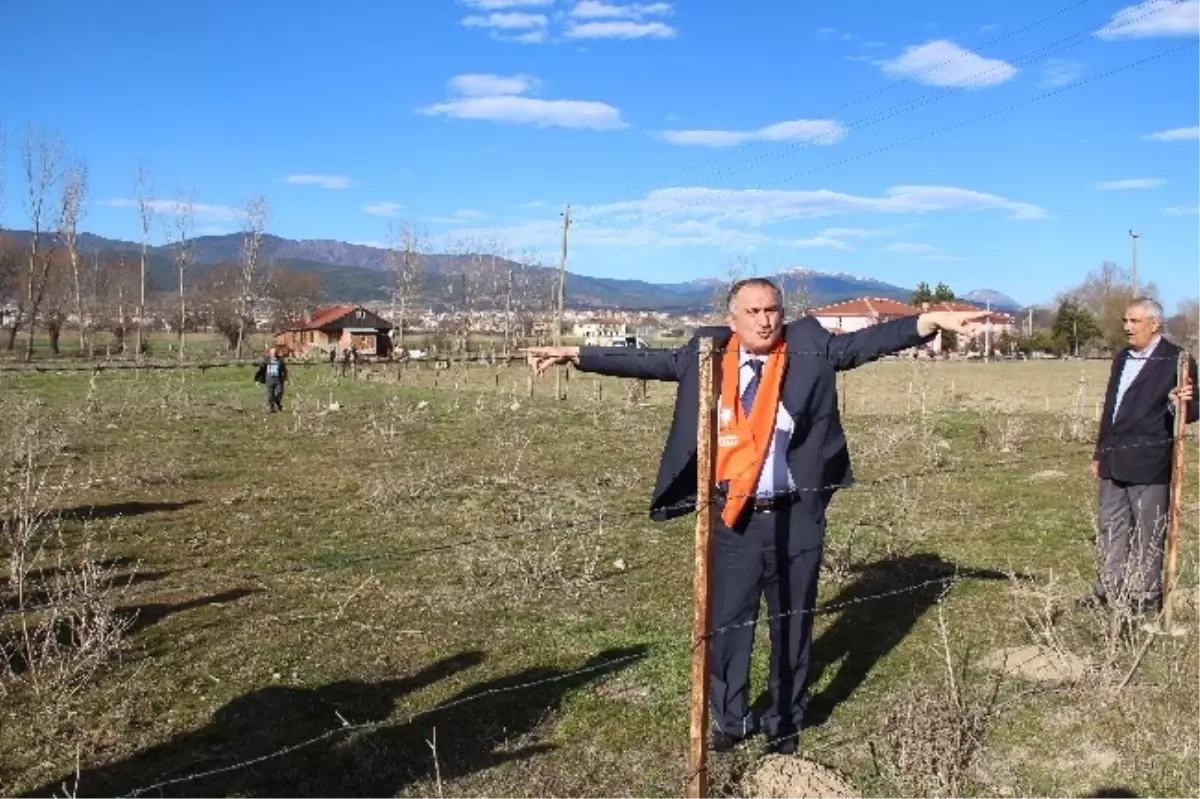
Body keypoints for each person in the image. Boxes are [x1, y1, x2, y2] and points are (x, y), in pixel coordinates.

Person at [524, 278, 986, 755]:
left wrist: (927, 321)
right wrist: (575, 355)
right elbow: (649, 360)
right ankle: (730, 717)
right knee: (728, 624)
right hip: (731, 519)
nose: (765, 320)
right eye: (754, 311)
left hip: (795, 518)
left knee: (793, 623)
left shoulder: (808, 345)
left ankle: (784, 719)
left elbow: (860, 345)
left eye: (772, 309)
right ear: (732, 320)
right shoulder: (707, 353)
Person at [1087, 298, 1196, 616]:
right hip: (1112, 457)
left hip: (1149, 461)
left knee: (1148, 530)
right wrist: (1099, 452)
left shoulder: (1177, 360)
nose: (1126, 327)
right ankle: (1110, 588)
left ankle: (1144, 595)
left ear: (1155, 324)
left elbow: (1194, 409)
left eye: (1134, 321)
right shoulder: (1122, 358)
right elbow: (1111, 409)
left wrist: (1180, 403)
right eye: (1125, 321)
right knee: (1111, 525)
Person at [255, 346, 289, 413]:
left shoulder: (280, 360)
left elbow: (284, 370)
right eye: (272, 352)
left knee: (280, 392)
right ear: (270, 353)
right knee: (270, 395)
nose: (274, 353)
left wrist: (286, 379)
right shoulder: (267, 360)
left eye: (275, 352)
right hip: (269, 380)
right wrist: (258, 380)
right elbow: (261, 370)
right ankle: (271, 408)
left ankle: (276, 404)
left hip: (278, 379)